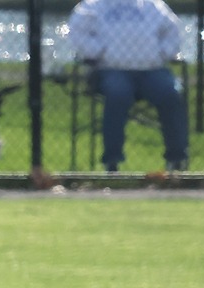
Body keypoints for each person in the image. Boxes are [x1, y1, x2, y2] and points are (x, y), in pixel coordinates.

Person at [66, 0, 189, 173]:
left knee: (170, 94)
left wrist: (163, 52)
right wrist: (98, 51)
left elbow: (173, 30)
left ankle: (177, 159)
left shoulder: (152, 5)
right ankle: (112, 161)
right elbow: (77, 30)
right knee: (118, 95)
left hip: (152, 70)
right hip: (111, 70)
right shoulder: (93, 5)